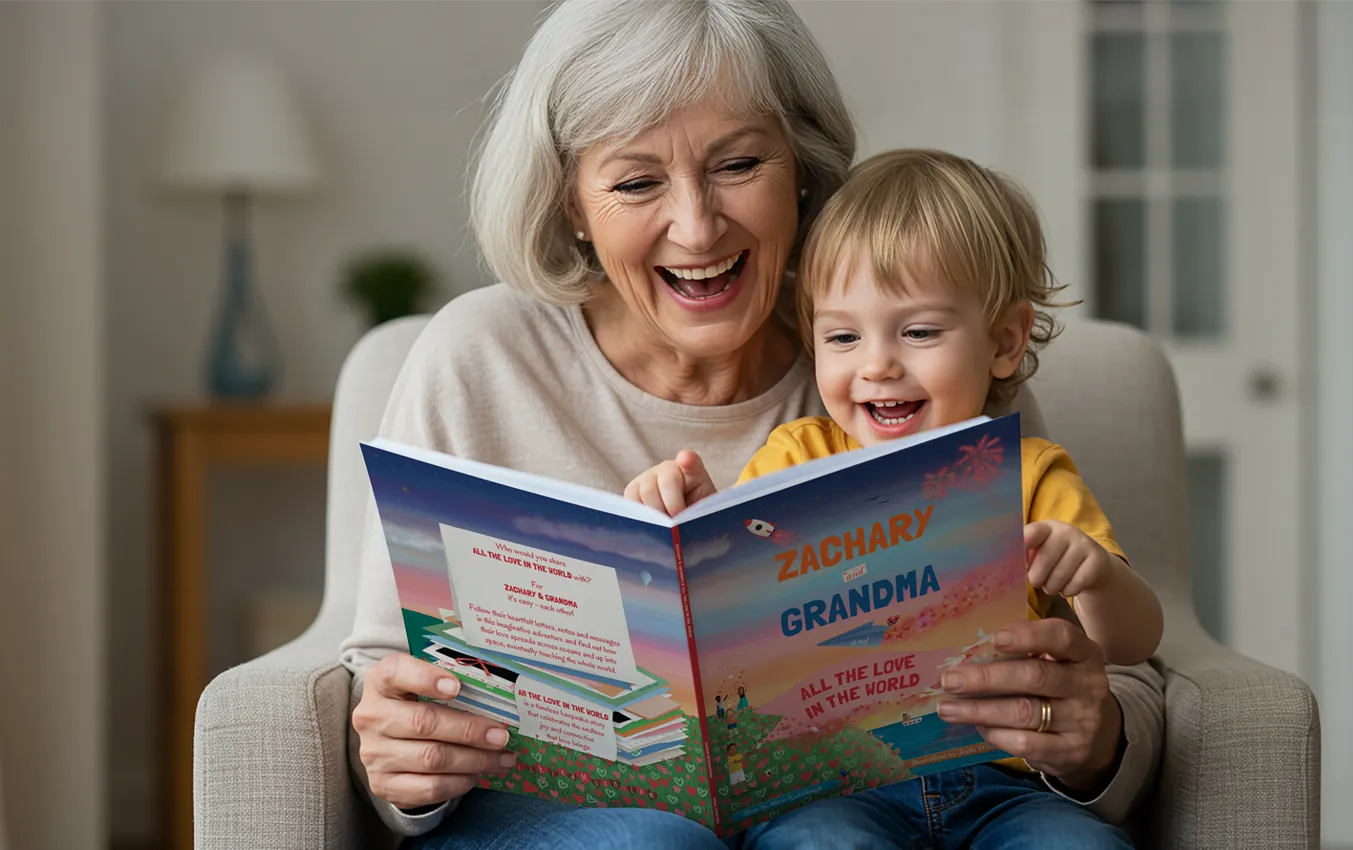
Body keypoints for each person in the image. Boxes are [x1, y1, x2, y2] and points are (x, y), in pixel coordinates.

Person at [340, 1, 1165, 848]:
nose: (697, 227)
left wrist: (1090, 743)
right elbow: (377, 678)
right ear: (570, 204)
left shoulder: (904, 344)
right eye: (634, 181)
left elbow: (1116, 659)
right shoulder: (477, 356)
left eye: (737, 163)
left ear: (801, 168)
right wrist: (405, 760)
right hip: (548, 806)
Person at [626, 148, 1166, 846]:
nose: (877, 364)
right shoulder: (796, 458)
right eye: (843, 336)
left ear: (1004, 341)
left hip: (1002, 786)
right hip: (833, 789)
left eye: (918, 332)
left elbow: (1132, 642)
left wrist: (1092, 575)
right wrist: (689, 522)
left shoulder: (1029, 474)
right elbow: (732, 616)